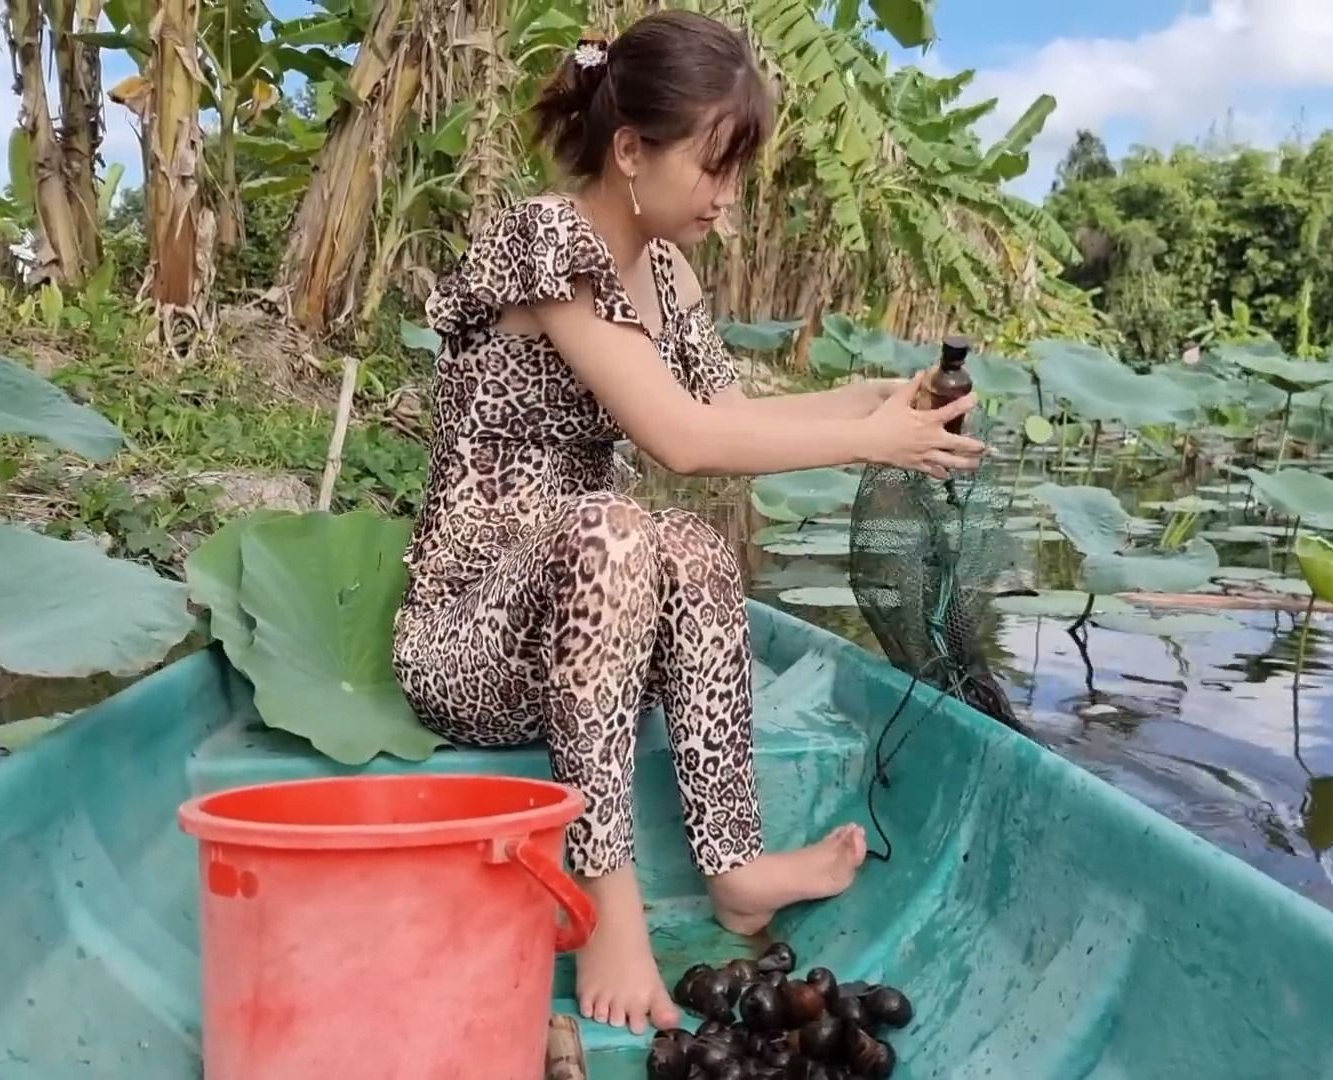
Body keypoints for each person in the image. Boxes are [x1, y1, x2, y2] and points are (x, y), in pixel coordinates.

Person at [391, 10, 986, 1037]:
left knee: (691, 544)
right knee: (625, 529)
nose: (728, 198)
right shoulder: (546, 242)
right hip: (474, 634)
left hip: (590, 637)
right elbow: (682, 440)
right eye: (715, 168)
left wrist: (880, 400)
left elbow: (733, 417)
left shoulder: (664, 274)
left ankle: (736, 866)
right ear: (631, 151)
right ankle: (607, 904)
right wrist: (870, 444)